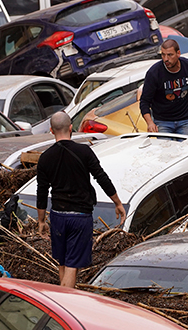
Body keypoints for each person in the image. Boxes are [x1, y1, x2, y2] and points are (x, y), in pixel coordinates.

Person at [36, 112, 126, 288]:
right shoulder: (84, 152)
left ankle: (63, 297)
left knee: (63, 261)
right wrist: (117, 202)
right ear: (71, 128)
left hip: (58, 216)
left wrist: (41, 220)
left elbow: (42, 191)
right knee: (72, 265)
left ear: (51, 130)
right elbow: (101, 177)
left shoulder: (45, 157)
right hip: (79, 217)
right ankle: (65, 304)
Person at [139, 39, 188, 135]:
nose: (166, 59)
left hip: (185, 120)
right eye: (163, 55)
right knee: (166, 149)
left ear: (178, 53)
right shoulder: (154, 73)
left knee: (186, 148)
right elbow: (144, 101)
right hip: (163, 121)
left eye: (170, 55)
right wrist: (150, 123)